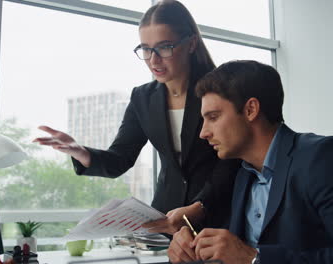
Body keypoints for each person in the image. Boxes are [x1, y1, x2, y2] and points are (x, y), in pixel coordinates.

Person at [33, 0, 238, 235]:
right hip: (166, 220)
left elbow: (233, 159)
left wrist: (200, 206)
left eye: (164, 47)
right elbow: (120, 158)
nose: (153, 60)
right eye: (146, 49)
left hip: (219, 213)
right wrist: (82, 152)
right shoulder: (143, 98)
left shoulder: (221, 90)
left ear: (191, 43)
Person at [168, 60, 333, 264]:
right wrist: (193, 248)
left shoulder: (326, 157)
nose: (203, 133)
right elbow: (232, 249)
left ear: (250, 110)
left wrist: (254, 259)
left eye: (213, 117)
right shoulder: (243, 173)